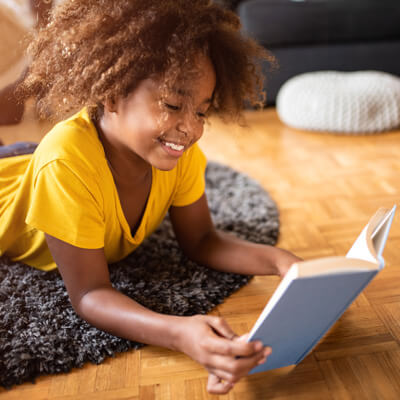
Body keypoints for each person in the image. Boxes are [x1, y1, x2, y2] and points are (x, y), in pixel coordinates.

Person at [0, 0, 301, 394]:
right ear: (111, 93)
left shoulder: (182, 154)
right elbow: (90, 293)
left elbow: (202, 241)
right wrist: (180, 333)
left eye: (201, 112)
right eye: (173, 105)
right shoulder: (65, 166)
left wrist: (282, 262)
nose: (190, 129)